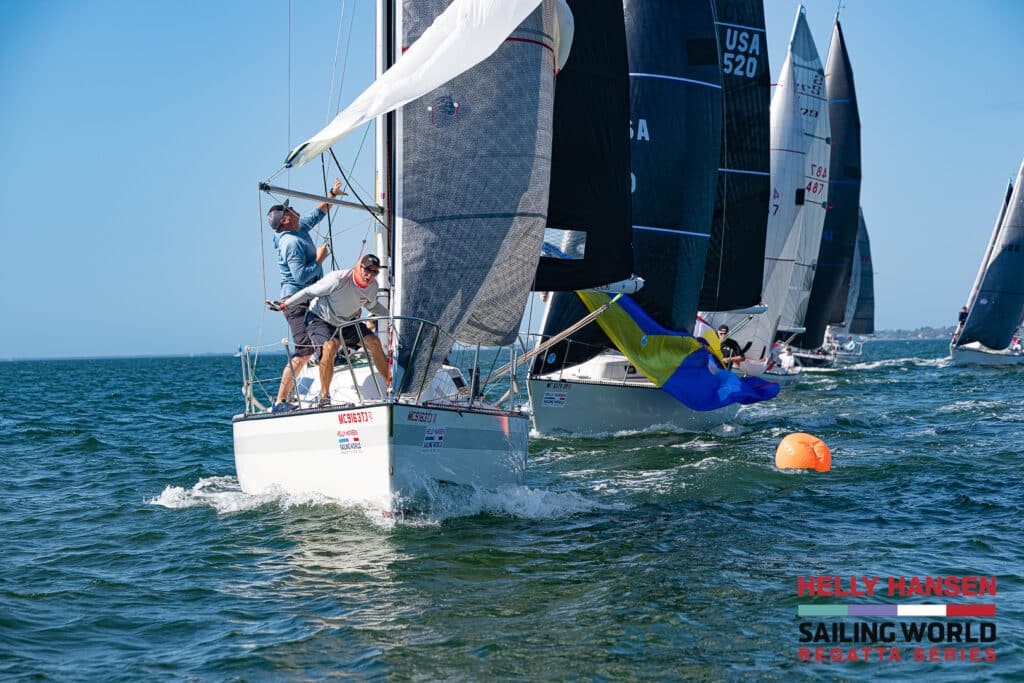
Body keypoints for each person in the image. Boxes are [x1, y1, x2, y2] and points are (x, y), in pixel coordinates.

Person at [268, 178, 344, 412]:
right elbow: (300, 278)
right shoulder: (290, 242)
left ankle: (329, 358)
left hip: (312, 298)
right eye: (289, 209)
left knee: (330, 334)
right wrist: (319, 259)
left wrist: (332, 194)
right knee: (303, 352)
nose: (294, 208)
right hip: (296, 302)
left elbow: (317, 213)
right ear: (286, 219)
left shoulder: (297, 228)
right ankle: (281, 401)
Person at [281, 254, 390, 408]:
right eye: (367, 270)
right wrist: (287, 304)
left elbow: (372, 307)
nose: (369, 275)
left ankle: (391, 388)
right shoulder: (338, 279)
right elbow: (309, 292)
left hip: (346, 321)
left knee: (374, 342)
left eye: (374, 272)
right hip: (319, 318)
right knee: (330, 346)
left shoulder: (372, 287)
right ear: (359, 266)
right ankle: (325, 397)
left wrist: (391, 316)